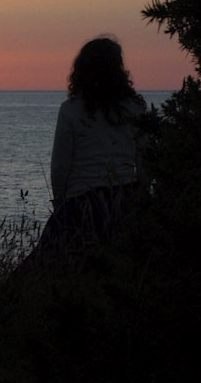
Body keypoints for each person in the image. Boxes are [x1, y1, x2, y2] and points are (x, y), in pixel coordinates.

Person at [34, 35, 147, 258]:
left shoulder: (71, 110)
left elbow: (60, 166)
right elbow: (144, 160)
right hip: (124, 200)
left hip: (82, 204)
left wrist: (60, 204)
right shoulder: (135, 108)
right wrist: (142, 199)